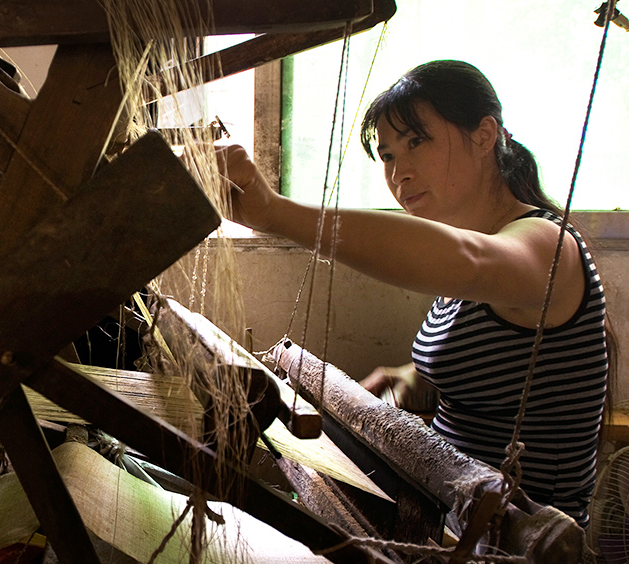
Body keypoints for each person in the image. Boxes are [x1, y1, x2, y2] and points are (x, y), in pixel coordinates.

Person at [218, 60, 608, 526]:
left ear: (485, 136)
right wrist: (410, 377)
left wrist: (276, 214)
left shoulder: (549, 245)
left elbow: (471, 261)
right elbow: (495, 364)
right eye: (386, 156)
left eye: (416, 142)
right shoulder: (464, 256)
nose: (398, 172)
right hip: (449, 527)